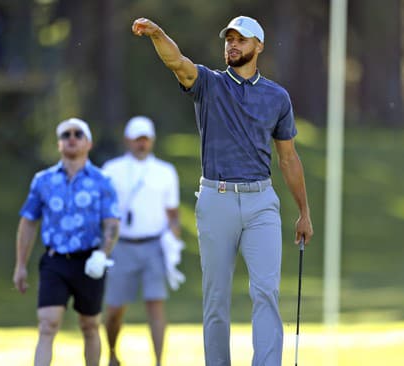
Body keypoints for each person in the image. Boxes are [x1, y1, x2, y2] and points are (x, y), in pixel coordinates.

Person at [132, 15, 314, 365]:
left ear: (258, 46)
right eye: (229, 38)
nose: (233, 44)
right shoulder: (209, 83)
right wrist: (158, 33)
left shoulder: (277, 97)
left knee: (266, 292)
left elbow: (289, 160)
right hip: (216, 200)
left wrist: (304, 212)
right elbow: (177, 62)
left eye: (241, 39)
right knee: (216, 299)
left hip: (261, 202)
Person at [13, 118, 120, 366]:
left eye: (78, 134)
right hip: (55, 261)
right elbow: (28, 222)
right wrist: (20, 265)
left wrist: (103, 254)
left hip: (90, 261)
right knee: (48, 324)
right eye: (66, 135)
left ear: (88, 143)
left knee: (90, 325)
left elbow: (112, 224)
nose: (71, 138)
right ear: (59, 144)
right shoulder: (43, 180)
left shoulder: (103, 181)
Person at [101, 116, 183, 366]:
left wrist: (174, 242)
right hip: (122, 245)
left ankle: (159, 362)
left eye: (145, 139)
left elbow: (173, 215)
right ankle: (113, 353)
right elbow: (103, 212)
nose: (141, 144)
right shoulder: (111, 169)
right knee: (114, 308)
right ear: (128, 140)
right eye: (137, 139)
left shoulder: (165, 172)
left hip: (154, 245)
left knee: (155, 305)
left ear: (152, 141)